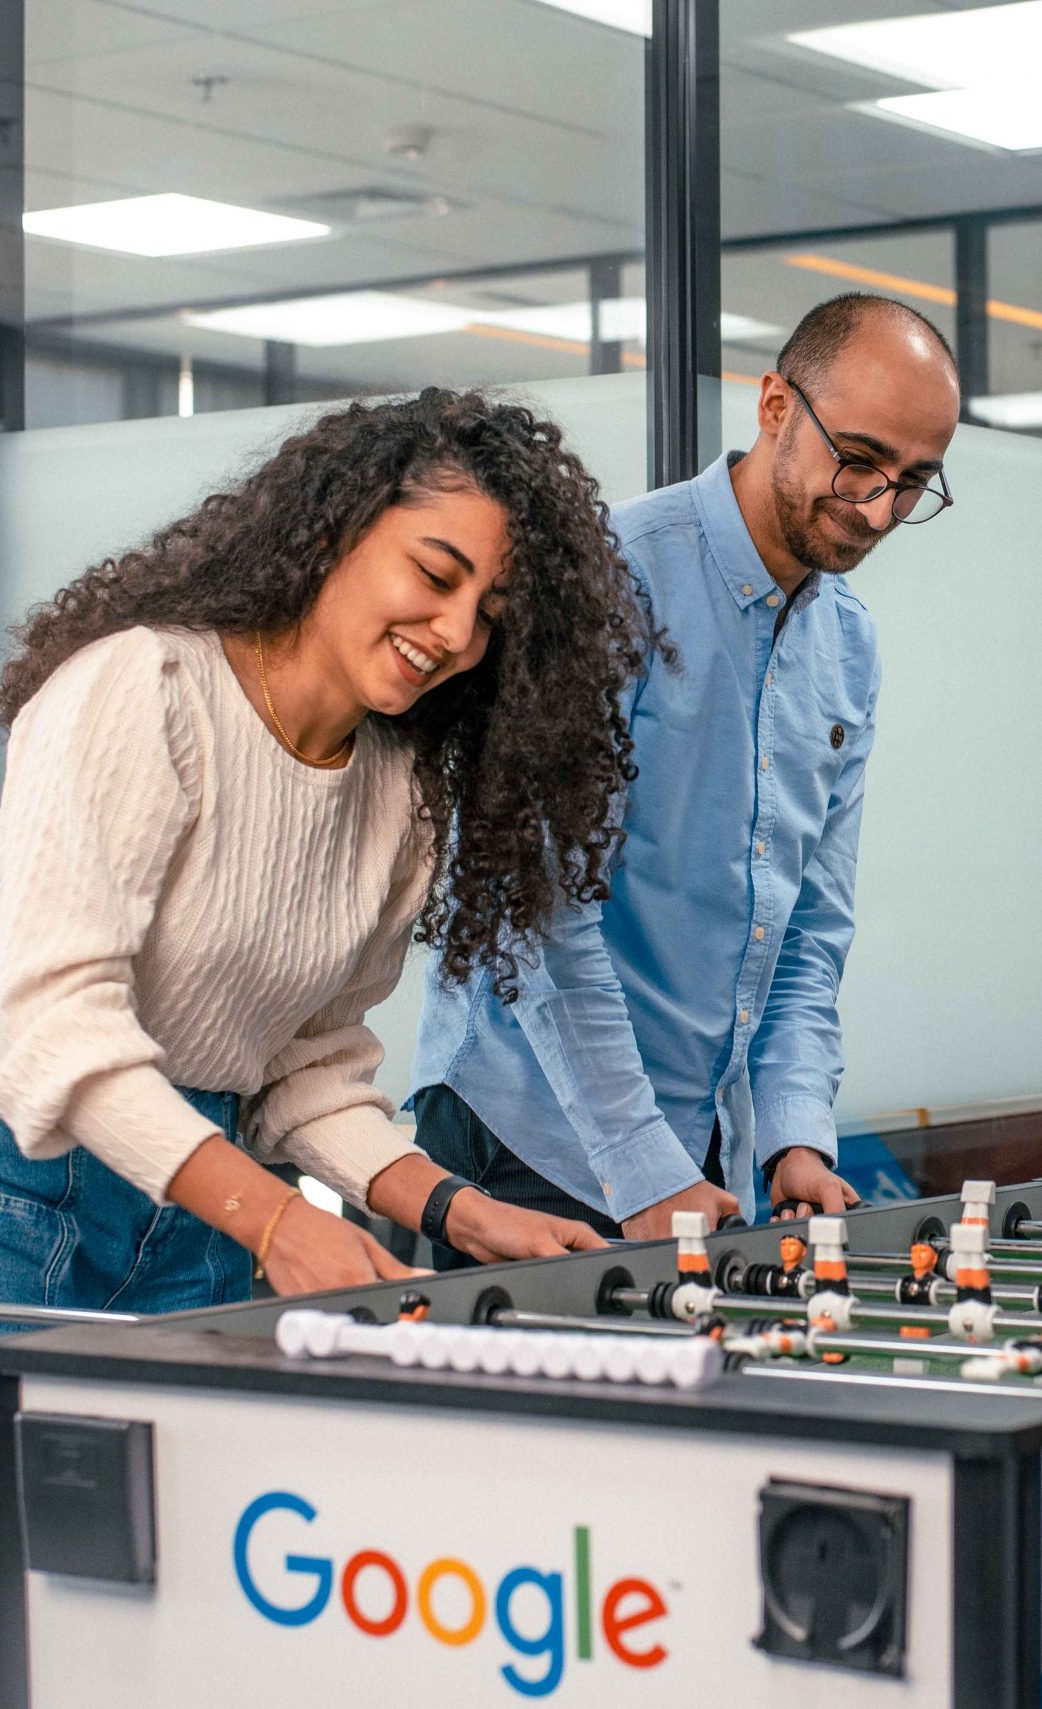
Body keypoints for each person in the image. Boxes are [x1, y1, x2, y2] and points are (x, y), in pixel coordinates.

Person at [0, 389, 639, 1709]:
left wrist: (457, 1206)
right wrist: (277, 1223)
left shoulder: (401, 789)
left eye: (490, 614)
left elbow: (309, 1062)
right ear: (334, 531)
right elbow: (60, 1028)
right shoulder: (141, 690)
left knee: (152, 1662)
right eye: (435, 574)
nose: (452, 633)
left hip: (193, 1208)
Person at [414, 294, 960, 1250]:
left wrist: (795, 1132)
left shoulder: (849, 647)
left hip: (697, 1156)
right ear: (776, 406)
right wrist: (641, 1165)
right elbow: (536, 908)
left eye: (914, 481)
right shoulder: (612, 580)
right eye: (861, 458)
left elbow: (806, 926)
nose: (879, 505)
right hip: (528, 1145)